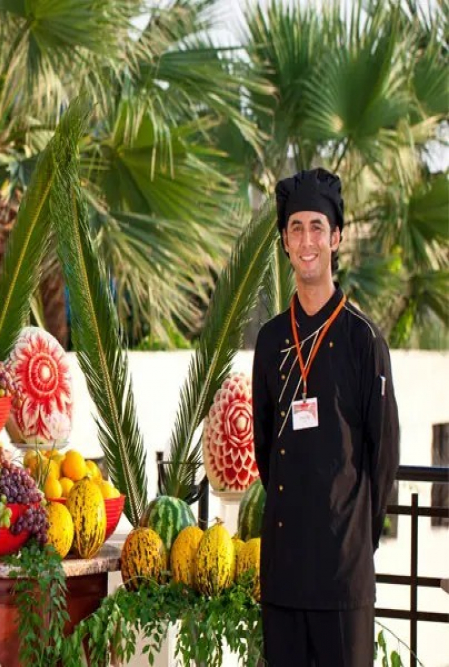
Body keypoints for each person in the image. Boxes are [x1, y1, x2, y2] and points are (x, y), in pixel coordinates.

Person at [252, 167, 400, 665]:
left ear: (335, 238)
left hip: (342, 576)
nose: (306, 240)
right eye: (295, 228)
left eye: (317, 227)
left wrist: (353, 539)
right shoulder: (271, 340)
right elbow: (266, 449)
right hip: (284, 570)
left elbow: (384, 456)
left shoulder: (364, 339)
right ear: (284, 242)